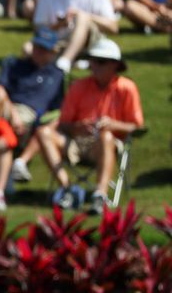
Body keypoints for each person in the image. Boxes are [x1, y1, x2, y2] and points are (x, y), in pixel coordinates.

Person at [36, 38, 143, 215]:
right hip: (76, 142)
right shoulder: (79, 86)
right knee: (43, 133)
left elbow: (137, 127)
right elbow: (63, 124)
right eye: (92, 61)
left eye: (100, 62)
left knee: (106, 136)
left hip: (108, 145)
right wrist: (78, 127)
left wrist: (112, 124)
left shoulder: (127, 88)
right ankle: (67, 188)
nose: (94, 66)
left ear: (115, 65)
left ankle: (99, 195)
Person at [0, 28, 65, 182]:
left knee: (46, 124)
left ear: (53, 51)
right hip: (9, 107)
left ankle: (19, 163)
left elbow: (58, 108)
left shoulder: (57, 75)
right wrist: (13, 114)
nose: (39, 52)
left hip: (36, 117)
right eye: (37, 47)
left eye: (44, 49)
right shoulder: (14, 64)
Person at [33, 0, 118, 73]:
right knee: (28, 50)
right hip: (58, 43)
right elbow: (39, 29)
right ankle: (73, 60)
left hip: (91, 43)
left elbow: (113, 27)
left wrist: (84, 16)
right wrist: (59, 25)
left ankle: (66, 61)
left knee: (82, 18)